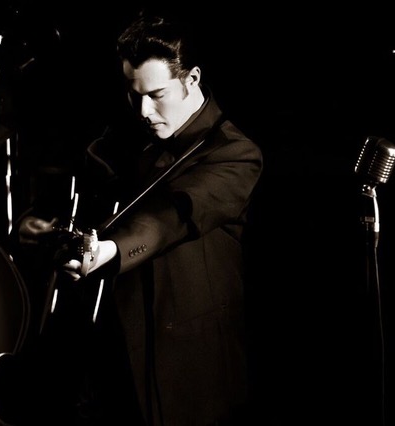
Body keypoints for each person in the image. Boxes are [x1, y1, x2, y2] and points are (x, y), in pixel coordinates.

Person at [17, 13, 263, 425]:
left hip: (188, 371)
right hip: (108, 365)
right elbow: (69, 192)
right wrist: (37, 223)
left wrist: (111, 250)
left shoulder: (235, 153)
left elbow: (174, 215)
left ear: (192, 79)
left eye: (157, 94)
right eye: (134, 95)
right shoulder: (124, 136)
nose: (145, 110)